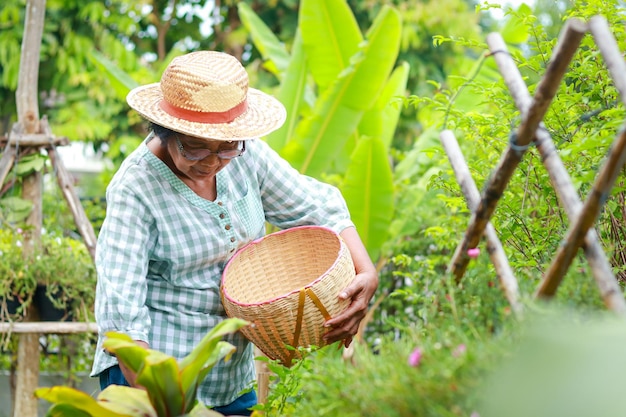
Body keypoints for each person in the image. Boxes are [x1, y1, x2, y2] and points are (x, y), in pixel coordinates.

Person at [90, 50, 379, 416]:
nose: (212, 163)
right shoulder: (135, 190)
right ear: (164, 131)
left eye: (226, 148)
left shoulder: (247, 157)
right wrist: (161, 400)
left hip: (229, 382)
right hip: (151, 385)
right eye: (194, 148)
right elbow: (123, 322)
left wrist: (366, 272)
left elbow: (320, 207)